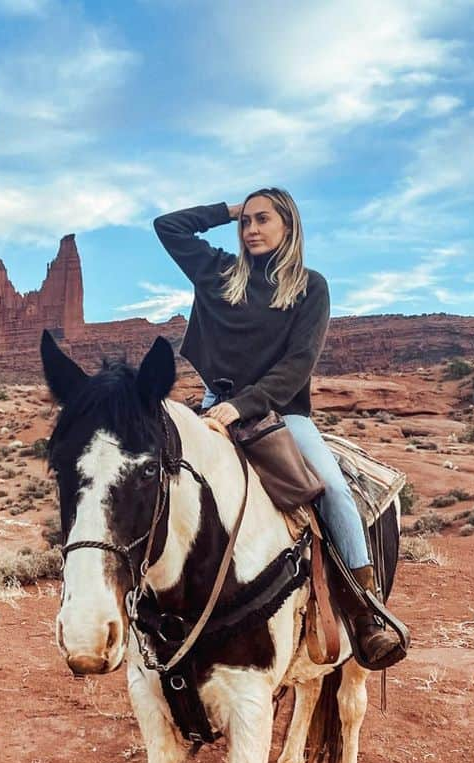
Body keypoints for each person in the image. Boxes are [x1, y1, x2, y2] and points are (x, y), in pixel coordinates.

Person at [153, 189, 402, 667]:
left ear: (288, 224)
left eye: (262, 219)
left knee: (331, 491)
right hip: (216, 402)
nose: (251, 229)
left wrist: (242, 406)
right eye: (245, 221)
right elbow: (169, 226)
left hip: (282, 410)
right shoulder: (219, 271)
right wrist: (227, 210)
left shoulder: (310, 287)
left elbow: (298, 364)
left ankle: (364, 614)